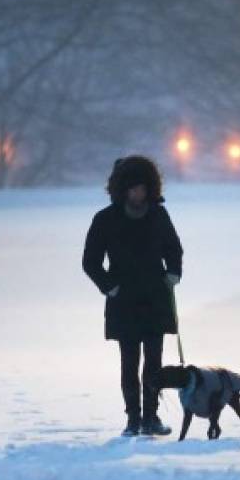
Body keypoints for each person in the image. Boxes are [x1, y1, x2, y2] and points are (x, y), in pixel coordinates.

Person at [83, 156, 183, 437]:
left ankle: (151, 417)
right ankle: (133, 419)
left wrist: (173, 273)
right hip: (123, 301)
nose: (138, 193)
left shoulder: (158, 215)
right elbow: (90, 261)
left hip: (155, 298)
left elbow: (174, 249)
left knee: (154, 362)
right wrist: (109, 286)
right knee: (129, 362)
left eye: (142, 188)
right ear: (122, 189)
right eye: (133, 188)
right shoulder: (105, 219)